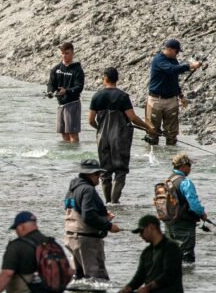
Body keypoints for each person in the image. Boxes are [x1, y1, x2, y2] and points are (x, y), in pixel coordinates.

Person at [87, 67, 156, 204]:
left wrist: (99, 129)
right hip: (120, 138)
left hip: (102, 138)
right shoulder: (123, 96)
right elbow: (132, 117)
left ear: (104, 79)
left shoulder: (97, 96)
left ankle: (107, 203)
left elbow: (90, 120)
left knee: (105, 172)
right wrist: (148, 128)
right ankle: (115, 202)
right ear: (117, 79)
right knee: (120, 171)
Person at [63, 160, 120, 280]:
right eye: (97, 174)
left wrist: (102, 215)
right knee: (97, 279)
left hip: (71, 238)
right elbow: (88, 215)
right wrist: (108, 225)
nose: (99, 177)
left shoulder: (72, 189)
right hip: (87, 241)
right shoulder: (88, 190)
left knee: (78, 278)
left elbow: (77, 210)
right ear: (89, 174)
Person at [146, 39, 203, 146]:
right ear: (169, 49)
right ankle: (151, 158)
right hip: (155, 100)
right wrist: (190, 66)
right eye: (176, 52)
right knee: (152, 132)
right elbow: (172, 69)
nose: (177, 54)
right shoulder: (159, 60)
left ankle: (171, 156)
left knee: (172, 134)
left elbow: (174, 81)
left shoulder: (174, 60)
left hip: (171, 100)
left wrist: (181, 96)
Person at [163, 153, 210, 264]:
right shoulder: (185, 182)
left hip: (169, 225)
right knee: (187, 259)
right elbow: (195, 206)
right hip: (184, 225)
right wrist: (202, 214)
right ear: (184, 166)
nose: (190, 169)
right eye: (189, 166)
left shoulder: (168, 181)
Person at [47, 42, 84, 143]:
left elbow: (79, 87)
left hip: (73, 104)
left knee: (73, 134)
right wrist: (50, 92)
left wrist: (66, 91)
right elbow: (51, 84)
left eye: (67, 53)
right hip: (61, 105)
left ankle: (75, 154)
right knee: (63, 133)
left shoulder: (77, 70)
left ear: (72, 53)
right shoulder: (56, 69)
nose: (64, 55)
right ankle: (67, 155)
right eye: (62, 53)